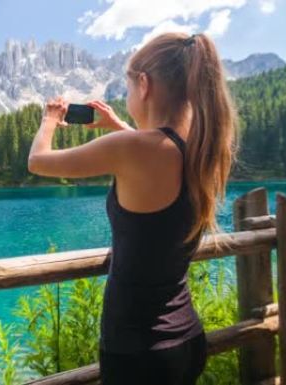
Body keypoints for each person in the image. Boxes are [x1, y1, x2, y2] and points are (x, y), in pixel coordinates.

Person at [27, 31, 238, 384]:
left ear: (144, 84)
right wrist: (119, 126)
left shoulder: (133, 148)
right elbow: (155, 150)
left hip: (138, 352)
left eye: (127, 88)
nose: (126, 99)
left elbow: (38, 161)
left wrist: (50, 119)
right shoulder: (201, 149)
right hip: (185, 340)